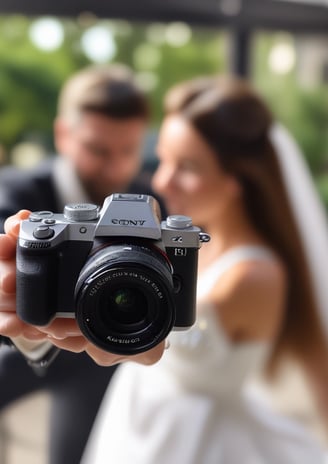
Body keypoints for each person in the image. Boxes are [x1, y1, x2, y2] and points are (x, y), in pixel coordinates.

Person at [79, 74, 328, 463]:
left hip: (196, 444)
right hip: (141, 425)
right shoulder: (190, 247)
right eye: (162, 159)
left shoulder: (252, 275)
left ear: (236, 180)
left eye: (188, 166)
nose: (163, 180)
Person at [0, 63, 165, 464]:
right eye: (98, 150)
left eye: (129, 151)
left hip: (105, 359)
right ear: (63, 135)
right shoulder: (18, 191)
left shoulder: (153, 203)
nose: (115, 167)